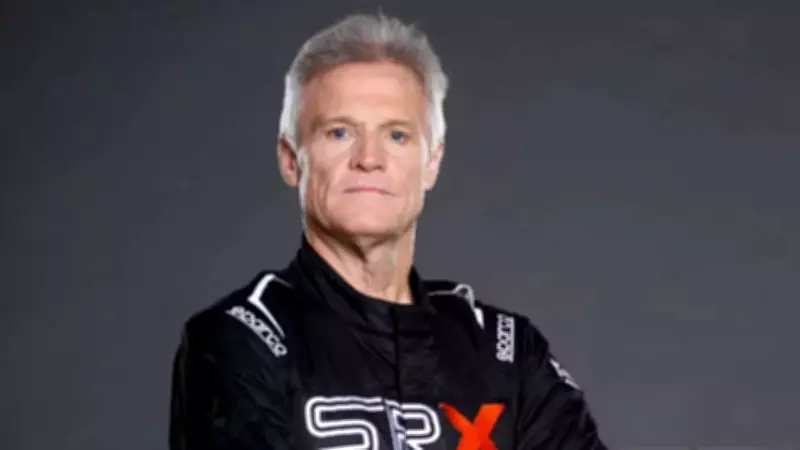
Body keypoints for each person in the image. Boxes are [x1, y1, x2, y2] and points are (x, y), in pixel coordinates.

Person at [169, 13, 607, 450]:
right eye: (339, 132)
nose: (369, 158)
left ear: (431, 163)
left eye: (397, 136)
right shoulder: (240, 340)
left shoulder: (505, 350)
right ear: (291, 159)